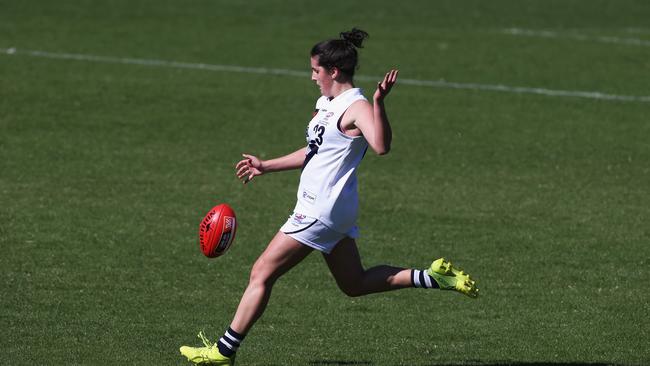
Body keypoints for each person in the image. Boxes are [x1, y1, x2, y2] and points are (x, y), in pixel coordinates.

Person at [180, 28, 478, 365]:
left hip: (321, 209)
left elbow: (381, 146)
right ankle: (433, 276)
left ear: (333, 71)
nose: (312, 77)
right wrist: (267, 165)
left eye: (315, 70)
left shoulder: (357, 106)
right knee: (354, 282)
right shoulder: (326, 104)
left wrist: (379, 104)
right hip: (328, 209)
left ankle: (223, 351)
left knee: (261, 272)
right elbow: (314, 151)